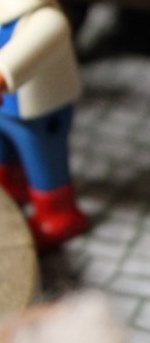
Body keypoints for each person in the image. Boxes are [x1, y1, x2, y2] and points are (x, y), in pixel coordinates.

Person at [0, 0, 86, 251]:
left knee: (43, 161)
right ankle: (11, 189)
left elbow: (28, 50)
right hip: (6, 107)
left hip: (39, 109)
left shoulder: (45, 17)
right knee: (3, 153)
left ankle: (57, 214)